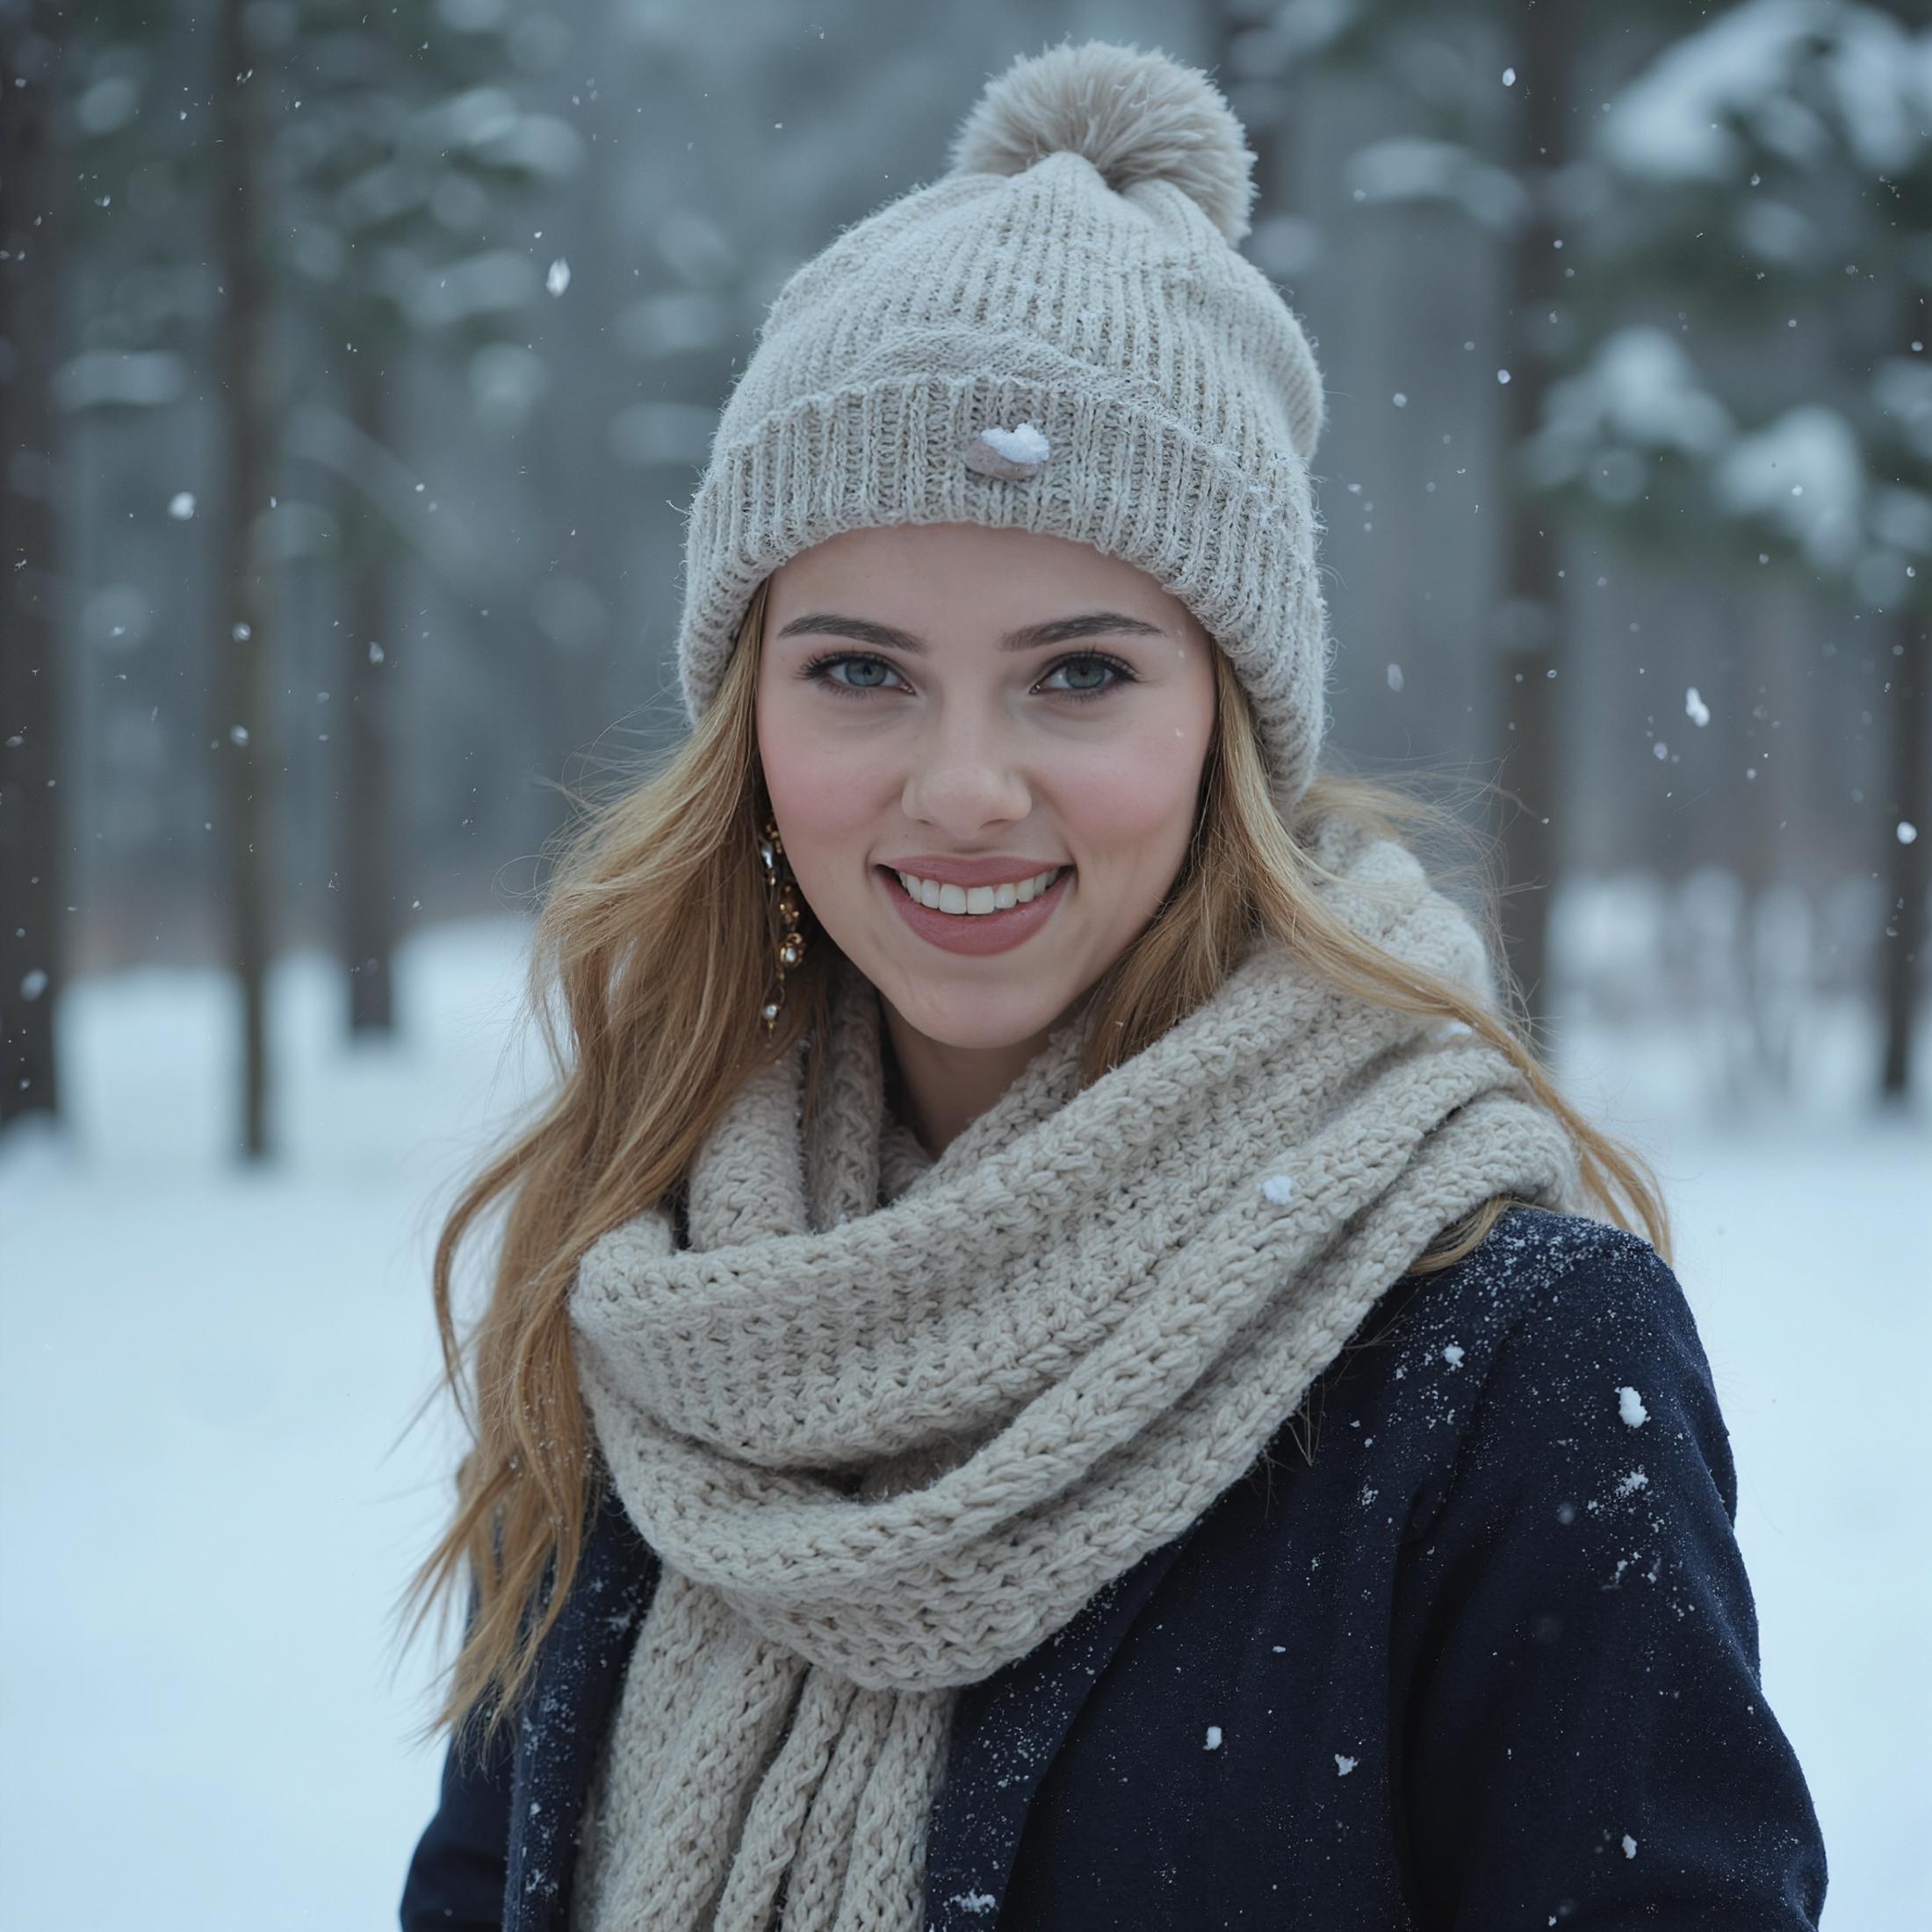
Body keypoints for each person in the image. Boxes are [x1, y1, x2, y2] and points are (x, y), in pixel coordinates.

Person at [396, 40, 1827, 1932]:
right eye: (856, 670)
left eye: (1076, 673)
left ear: (1225, 715)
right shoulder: (653, 1287)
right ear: (742, 715)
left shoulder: (1501, 1350)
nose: (962, 783)